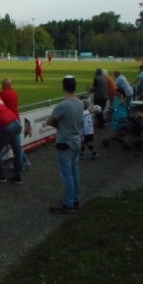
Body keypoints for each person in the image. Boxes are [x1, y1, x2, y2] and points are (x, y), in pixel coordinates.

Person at [46, 75, 84, 214]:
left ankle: (68, 203)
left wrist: (57, 125)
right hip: (76, 141)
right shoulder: (79, 103)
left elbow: (49, 121)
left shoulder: (63, 104)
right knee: (75, 172)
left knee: (67, 174)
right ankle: (74, 199)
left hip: (65, 142)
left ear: (64, 87)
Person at [0, 77, 31, 167]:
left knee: (13, 146)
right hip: (17, 120)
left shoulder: (3, 94)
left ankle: (22, 163)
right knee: (16, 145)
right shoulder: (15, 93)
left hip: (9, 122)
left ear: (5, 85)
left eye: (2, 84)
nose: (1, 85)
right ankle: (24, 162)